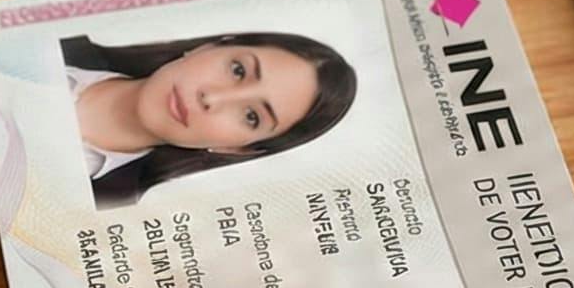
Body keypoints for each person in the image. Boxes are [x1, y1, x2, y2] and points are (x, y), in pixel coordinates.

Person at [62, 30, 357, 208]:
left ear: (237, 149)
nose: (212, 99)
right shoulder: (53, 38)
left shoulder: (105, 209)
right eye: (238, 70)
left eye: (251, 116)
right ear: (209, 47)